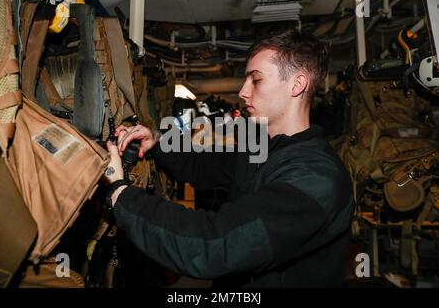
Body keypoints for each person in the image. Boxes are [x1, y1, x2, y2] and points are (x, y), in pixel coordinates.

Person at [103, 30, 354, 287]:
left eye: (256, 80)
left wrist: (120, 195)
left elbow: (214, 246)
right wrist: (156, 140)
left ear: (297, 84)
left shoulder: (318, 178)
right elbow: (201, 167)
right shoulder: (259, 148)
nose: (243, 91)